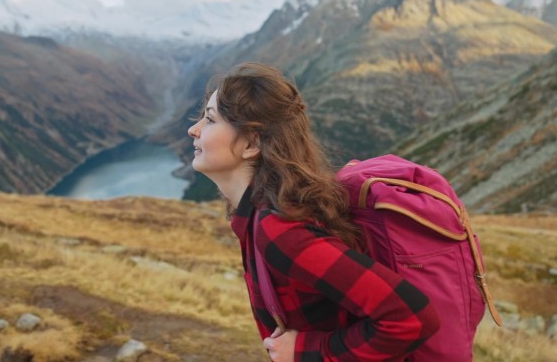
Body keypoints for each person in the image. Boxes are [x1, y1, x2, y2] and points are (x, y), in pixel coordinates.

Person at [187, 62, 440, 362]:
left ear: (252, 143)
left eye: (210, 120)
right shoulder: (259, 215)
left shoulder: (281, 231)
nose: (194, 129)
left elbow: (412, 317)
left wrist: (308, 351)